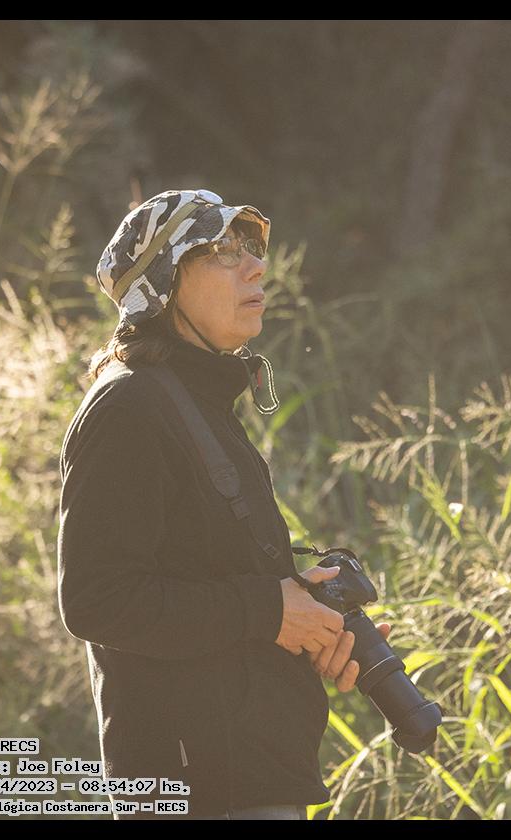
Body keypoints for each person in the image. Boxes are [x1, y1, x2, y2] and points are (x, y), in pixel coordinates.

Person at [57, 188, 391, 820]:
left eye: (251, 248)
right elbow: (97, 600)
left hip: (252, 774)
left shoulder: (192, 401)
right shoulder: (129, 408)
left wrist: (306, 618)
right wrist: (267, 610)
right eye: (221, 251)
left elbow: (207, 581)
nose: (257, 267)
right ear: (163, 284)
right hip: (198, 786)